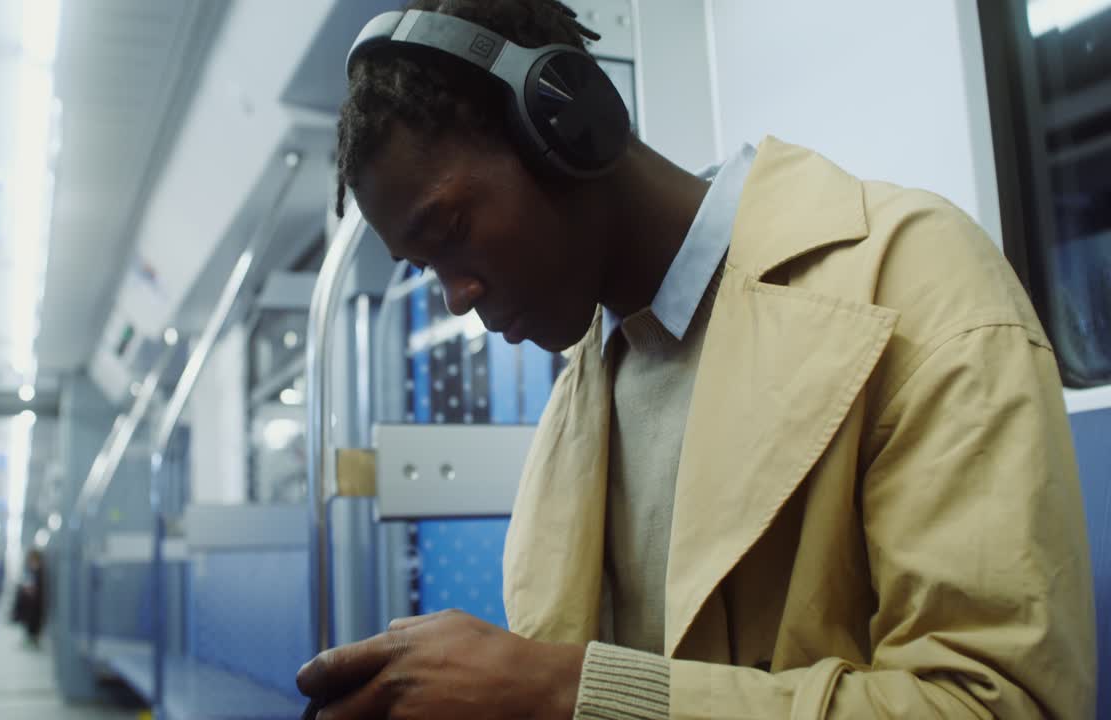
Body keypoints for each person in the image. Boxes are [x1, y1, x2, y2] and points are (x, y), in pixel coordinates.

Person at [296, 1, 1096, 717]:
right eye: (426, 268)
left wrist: (557, 691)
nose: (455, 298)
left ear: (565, 126)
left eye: (451, 230)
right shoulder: (586, 390)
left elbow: (991, 703)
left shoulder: (916, 278)